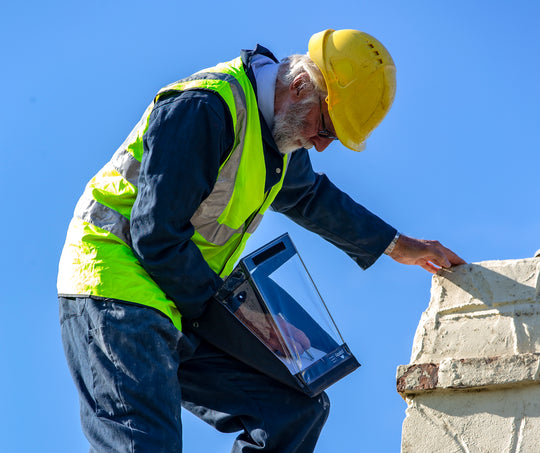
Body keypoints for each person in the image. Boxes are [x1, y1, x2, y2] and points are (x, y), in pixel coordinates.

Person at [57, 29, 465, 452]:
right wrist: (253, 319)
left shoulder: (279, 133)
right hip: (118, 288)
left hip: (180, 294)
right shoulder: (206, 107)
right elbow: (155, 235)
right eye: (324, 127)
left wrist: (398, 245)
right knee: (145, 444)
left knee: (294, 411)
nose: (321, 146)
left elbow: (310, 196)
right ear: (300, 85)